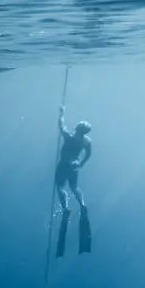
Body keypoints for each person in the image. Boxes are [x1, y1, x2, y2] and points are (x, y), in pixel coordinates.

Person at [55, 106, 92, 256]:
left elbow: (61, 126)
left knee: (60, 187)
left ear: (78, 127)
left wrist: (62, 113)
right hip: (74, 165)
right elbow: (88, 154)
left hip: (64, 164)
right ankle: (82, 203)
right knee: (74, 187)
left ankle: (65, 208)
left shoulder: (69, 136)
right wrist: (81, 164)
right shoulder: (87, 141)